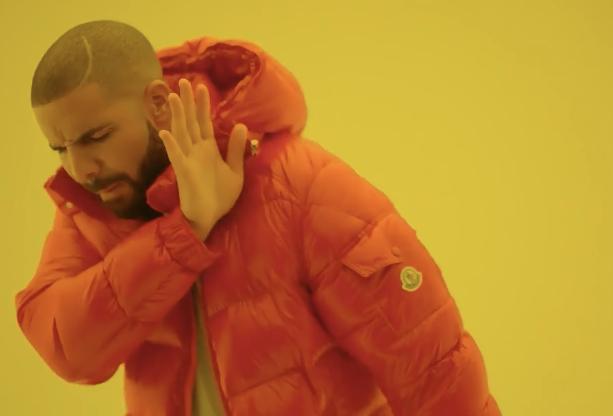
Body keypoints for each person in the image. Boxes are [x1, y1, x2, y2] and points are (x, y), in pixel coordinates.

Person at [15, 19, 501, 416]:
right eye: (60, 148)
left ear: (158, 104)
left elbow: (433, 371)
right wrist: (184, 231)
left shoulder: (301, 185)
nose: (80, 168)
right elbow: (70, 352)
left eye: (96, 137)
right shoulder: (96, 205)